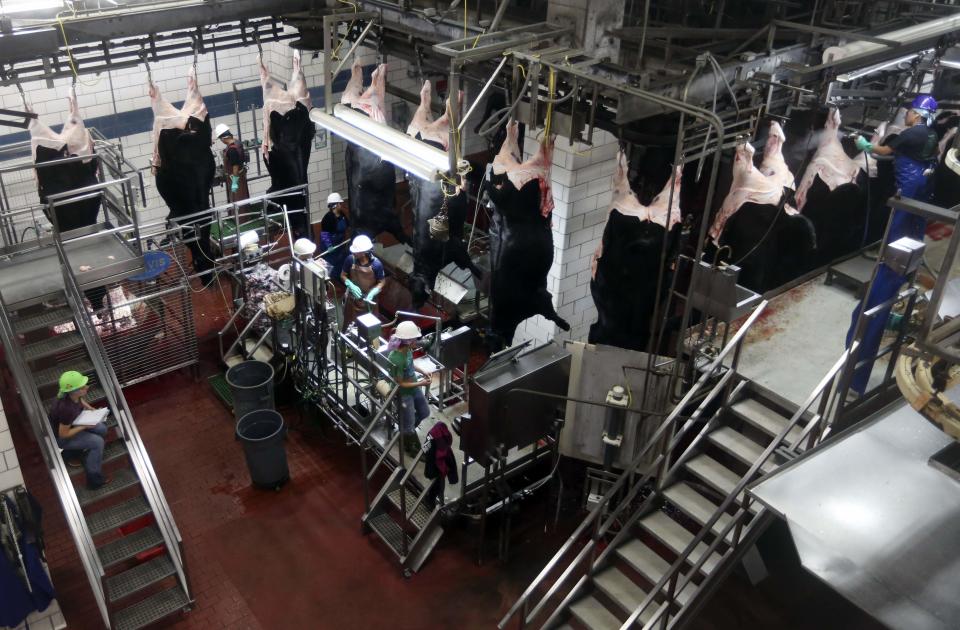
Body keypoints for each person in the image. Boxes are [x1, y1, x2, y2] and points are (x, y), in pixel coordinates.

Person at [849, 95, 941, 395]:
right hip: (921, 199)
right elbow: (898, 156)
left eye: (909, 114)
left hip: (907, 197)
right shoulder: (931, 134)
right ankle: (898, 275)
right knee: (908, 244)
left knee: (892, 258)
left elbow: (885, 150)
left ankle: (854, 376)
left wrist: (865, 146)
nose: (907, 118)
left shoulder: (911, 133)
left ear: (916, 114)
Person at [49, 371, 109, 490]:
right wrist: (85, 427)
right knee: (98, 442)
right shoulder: (66, 409)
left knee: (102, 428)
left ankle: (73, 453)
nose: (87, 387)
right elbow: (63, 434)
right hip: (62, 438)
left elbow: (80, 400)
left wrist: (91, 409)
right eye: (82, 387)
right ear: (73, 391)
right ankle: (94, 480)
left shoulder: (72, 395)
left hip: (73, 424)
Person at [387, 321, 433, 456]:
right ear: (408, 341)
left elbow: (411, 365)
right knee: (409, 423)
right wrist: (421, 384)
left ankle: (406, 429)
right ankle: (412, 448)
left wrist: (423, 372)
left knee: (424, 411)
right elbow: (399, 383)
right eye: (415, 339)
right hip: (402, 393)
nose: (417, 341)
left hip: (413, 387)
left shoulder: (407, 350)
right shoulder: (396, 359)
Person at [340, 234, 385, 329]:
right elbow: (343, 275)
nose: (354, 253)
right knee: (349, 328)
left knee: (369, 331)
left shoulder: (376, 265)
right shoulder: (350, 259)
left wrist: (373, 292)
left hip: (369, 303)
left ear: (364, 252)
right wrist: (350, 284)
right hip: (352, 301)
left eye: (356, 251)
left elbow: (382, 282)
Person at [214, 123, 249, 203]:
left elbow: (235, 167)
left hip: (236, 179)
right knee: (242, 199)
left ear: (223, 138)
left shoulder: (232, 150)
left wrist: (234, 183)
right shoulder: (237, 142)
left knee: (238, 202)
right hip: (241, 176)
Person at [320, 192, 350, 276]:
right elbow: (324, 234)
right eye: (340, 203)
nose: (341, 205)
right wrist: (329, 246)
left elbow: (347, 226)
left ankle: (339, 278)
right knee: (329, 266)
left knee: (340, 264)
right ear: (335, 205)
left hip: (340, 245)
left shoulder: (342, 215)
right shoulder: (328, 218)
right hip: (330, 248)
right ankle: (328, 281)